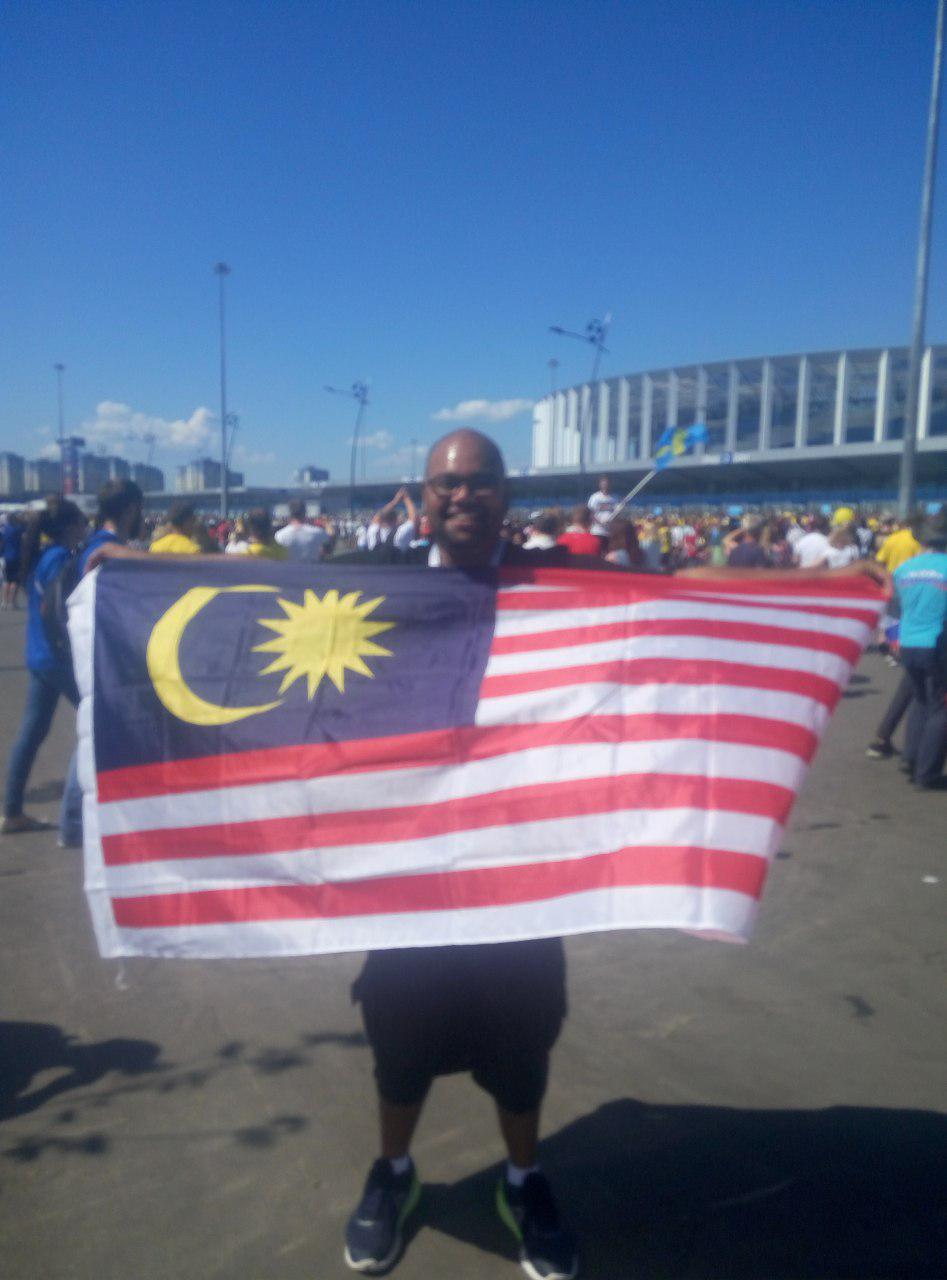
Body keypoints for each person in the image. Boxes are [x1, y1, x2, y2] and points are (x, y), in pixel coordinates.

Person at [339, 429, 579, 1280]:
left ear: (505, 493)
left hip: (518, 872)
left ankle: (523, 1180)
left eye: (479, 482)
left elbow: (679, 598)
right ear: (424, 495)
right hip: (408, 875)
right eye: (446, 483)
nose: (462, 496)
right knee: (399, 1046)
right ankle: (393, 1173)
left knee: (521, 1051)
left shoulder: (559, 585)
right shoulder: (379, 582)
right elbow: (250, 592)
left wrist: (825, 585)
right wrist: (136, 566)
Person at [2, 499, 87, 835]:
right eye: (81, 522)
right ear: (69, 527)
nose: (85, 528)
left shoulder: (42, 556)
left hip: (39, 654)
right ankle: (76, 815)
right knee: (98, 717)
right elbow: (59, 610)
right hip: (58, 657)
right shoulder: (60, 559)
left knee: (31, 733)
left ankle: (12, 811)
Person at [892, 509, 947, 788]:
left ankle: (911, 757)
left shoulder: (904, 569)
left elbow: (894, 609)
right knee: (941, 708)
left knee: (920, 701)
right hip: (938, 644)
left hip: (909, 642)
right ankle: (927, 773)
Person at [587, 475, 617, 545]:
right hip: (597, 531)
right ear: (600, 485)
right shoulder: (594, 497)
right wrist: (600, 523)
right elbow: (590, 513)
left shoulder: (614, 498)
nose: (605, 486)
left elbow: (616, 514)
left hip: (609, 533)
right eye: (603, 484)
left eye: (607, 484)